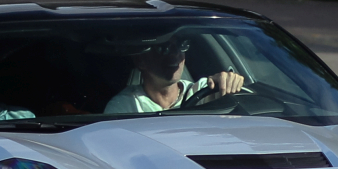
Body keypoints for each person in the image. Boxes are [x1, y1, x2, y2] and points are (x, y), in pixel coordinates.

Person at [104, 36, 245, 113]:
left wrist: (230, 81)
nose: (175, 54)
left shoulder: (204, 91)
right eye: (163, 48)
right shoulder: (125, 106)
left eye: (181, 45)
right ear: (141, 61)